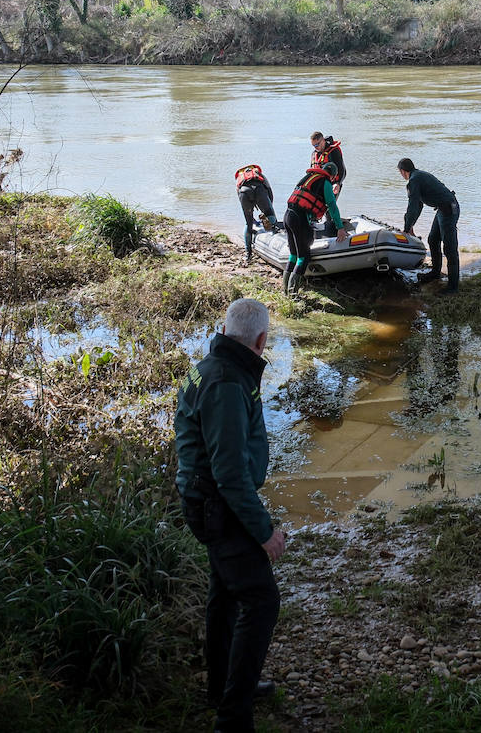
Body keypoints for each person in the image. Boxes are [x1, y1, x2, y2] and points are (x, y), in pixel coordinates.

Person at [175, 298, 286, 733]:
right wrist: (264, 532)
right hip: (216, 506)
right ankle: (232, 718)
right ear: (261, 340)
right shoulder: (224, 382)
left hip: (207, 501)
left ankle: (221, 686)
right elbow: (229, 473)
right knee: (261, 600)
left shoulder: (214, 366)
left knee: (225, 593)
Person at [282, 161, 351, 294]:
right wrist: (340, 228)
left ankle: (285, 291)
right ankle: (292, 294)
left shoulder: (308, 178)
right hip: (298, 219)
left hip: (288, 216)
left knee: (293, 255)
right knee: (303, 256)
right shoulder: (325, 183)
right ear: (332, 176)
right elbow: (332, 206)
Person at [398, 158, 460, 294]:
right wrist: (411, 225)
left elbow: (413, 206)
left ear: (402, 171)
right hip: (443, 208)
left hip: (448, 209)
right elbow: (418, 205)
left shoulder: (414, 181)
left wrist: (407, 228)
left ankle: (453, 287)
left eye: (400, 172)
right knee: (433, 239)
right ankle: (435, 273)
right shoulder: (419, 175)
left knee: (449, 248)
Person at [235, 164, 279, 264]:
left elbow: (240, 197)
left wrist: (251, 216)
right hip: (259, 190)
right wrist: (268, 211)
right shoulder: (259, 175)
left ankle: (248, 254)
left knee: (248, 223)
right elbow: (270, 192)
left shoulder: (240, 179)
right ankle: (275, 236)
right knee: (270, 215)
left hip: (244, 193)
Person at [309, 131, 345, 197]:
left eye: (317, 145)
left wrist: (338, 183)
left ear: (323, 140)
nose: (315, 147)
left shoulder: (333, 151)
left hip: (333, 185)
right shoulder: (314, 154)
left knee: (330, 206)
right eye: (313, 145)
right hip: (318, 185)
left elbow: (342, 170)